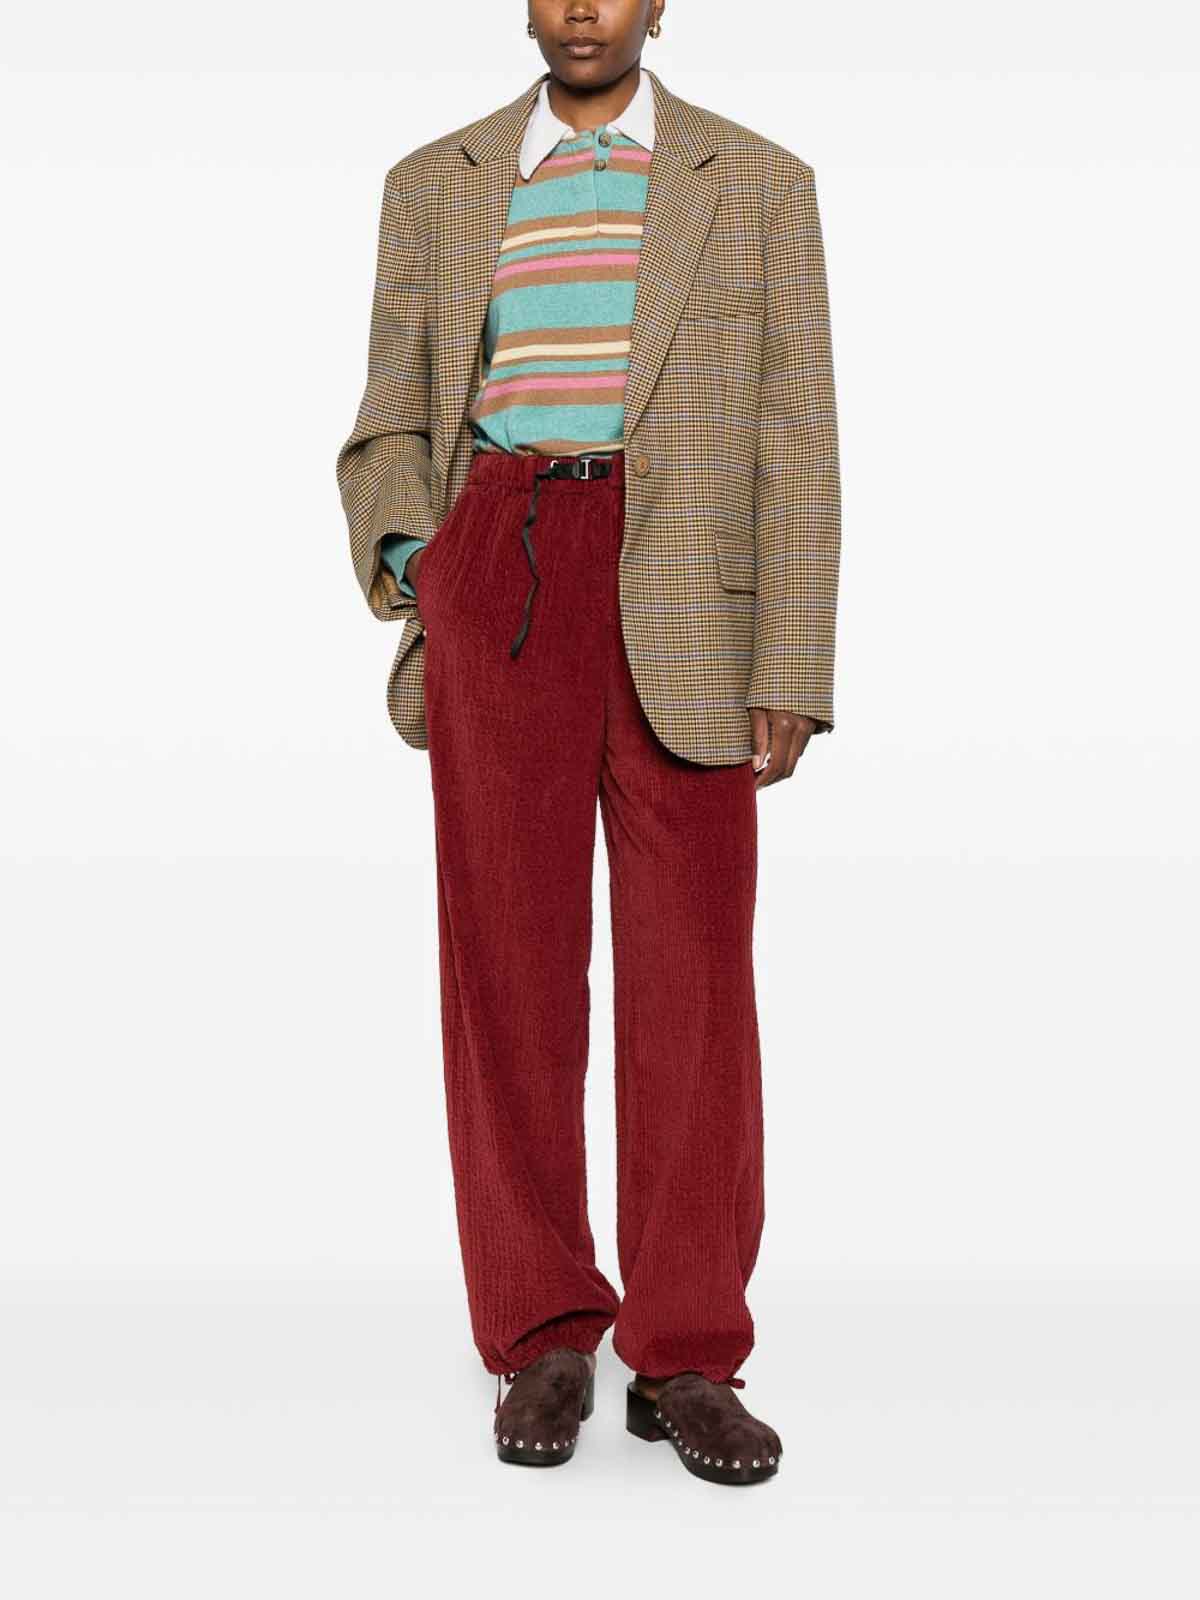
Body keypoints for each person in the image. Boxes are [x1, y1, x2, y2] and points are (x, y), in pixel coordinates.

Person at [335, 0, 840, 1486]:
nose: (580, 8)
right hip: (505, 570)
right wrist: (426, 564)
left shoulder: (757, 182)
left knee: (696, 981)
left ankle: (685, 1353)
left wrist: (793, 661)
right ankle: (543, 1328)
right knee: (508, 968)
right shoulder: (436, 182)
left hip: (689, 593)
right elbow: (386, 422)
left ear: (658, 5)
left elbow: (800, 436)